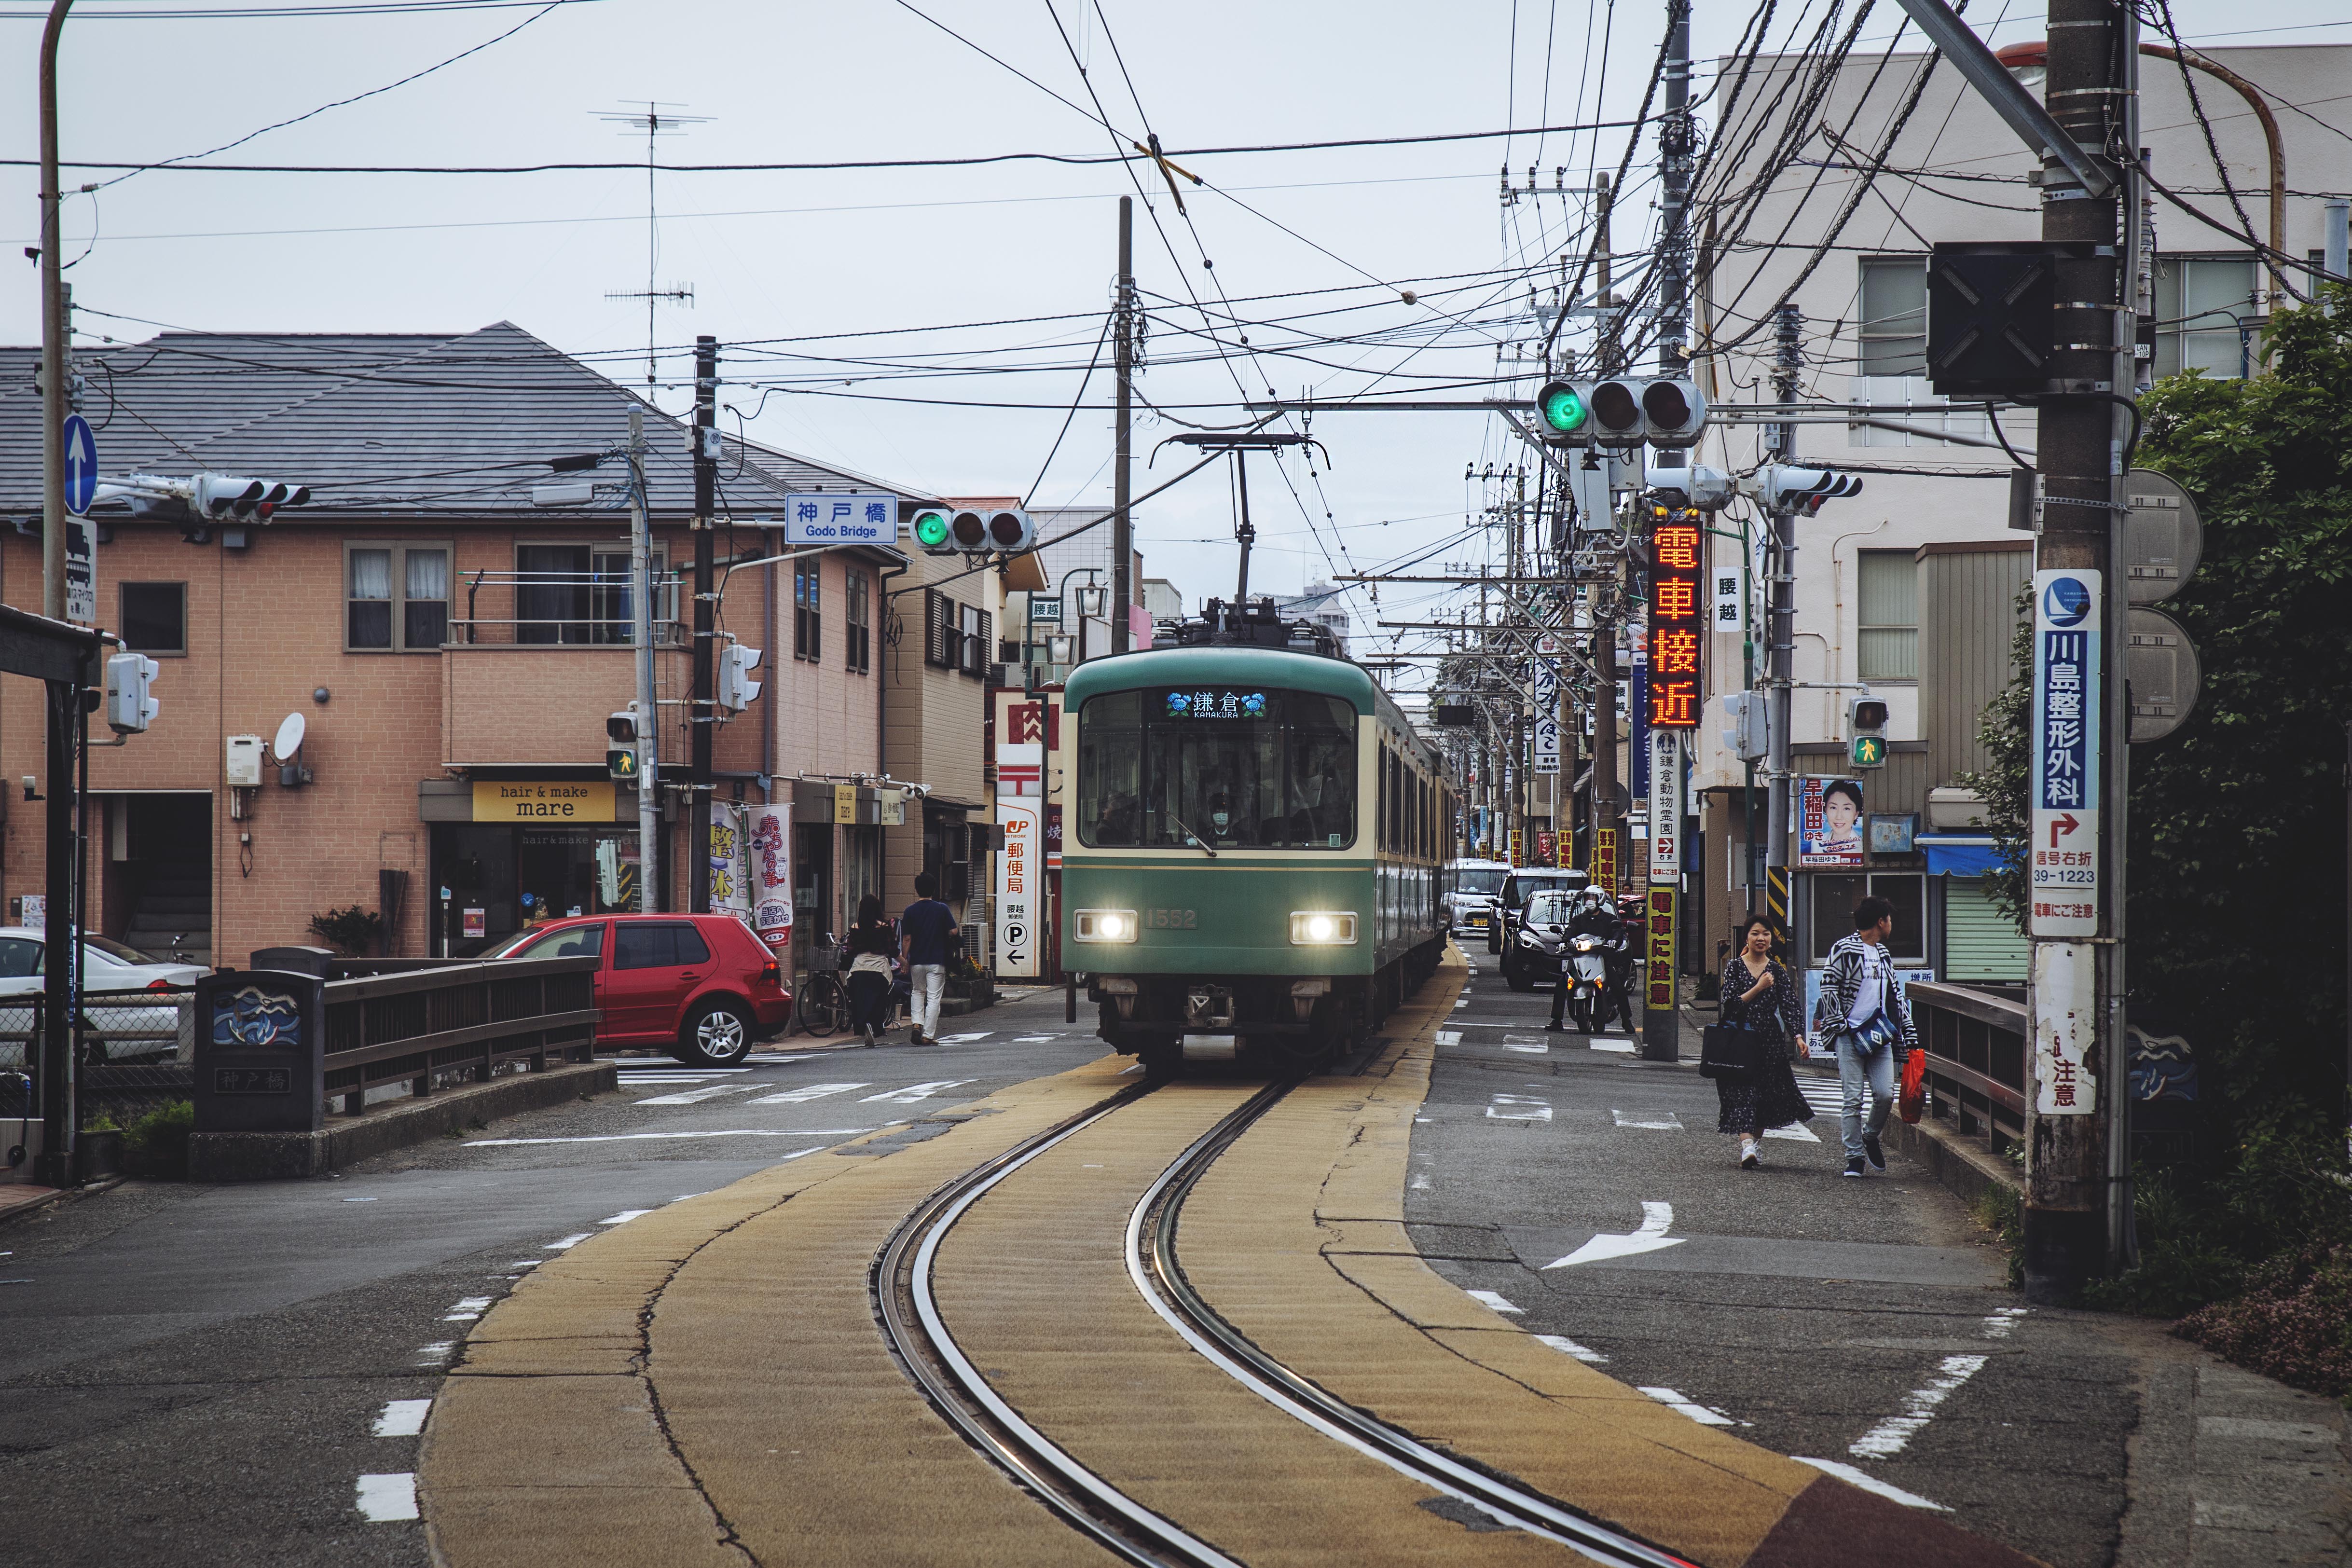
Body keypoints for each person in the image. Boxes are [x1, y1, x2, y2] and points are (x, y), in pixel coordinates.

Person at [1819, 894, 1917, 1177]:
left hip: (1879, 1035)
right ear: (1880, 922)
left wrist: (1907, 1031)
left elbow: (1895, 996)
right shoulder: (1844, 949)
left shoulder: (1884, 954)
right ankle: (1854, 1158)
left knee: (1886, 1095)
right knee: (1853, 1098)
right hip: (1849, 1035)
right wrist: (1840, 1024)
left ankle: (1870, 1135)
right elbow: (1829, 986)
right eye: (1889, 920)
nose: (1891, 925)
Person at [1714, 915, 1814, 1169]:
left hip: (1769, 1040)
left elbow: (1790, 1005)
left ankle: (1753, 1144)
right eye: (1756, 933)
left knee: (1765, 1095)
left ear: (1771, 939)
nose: (1761, 938)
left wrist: (1799, 1037)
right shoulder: (1735, 967)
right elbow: (1731, 1005)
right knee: (1741, 1093)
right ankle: (1747, 1144)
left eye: (1766, 934)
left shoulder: (1776, 970)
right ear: (1747, 937)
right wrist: (1758, 988)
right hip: (1739, 1039)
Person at [898, 873, 958, 1047]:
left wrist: (905, 961)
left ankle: (917, 1023)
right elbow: (953, 931)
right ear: (934, 889)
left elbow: (907, 938)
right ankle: (928, 1035)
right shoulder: (942, 909)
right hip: (937, 960)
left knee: (917, 992)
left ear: (917, 890)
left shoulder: (910, 911)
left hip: (917, 960)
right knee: (933, 998)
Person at [1546, 890, 1619, 1032]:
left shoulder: (1609, 919)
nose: (1589, 901)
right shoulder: (1579, 919)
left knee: (1616, 983)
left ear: (1600, 900)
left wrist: (1614, 941)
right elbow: (1570, 932)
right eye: (1587, 898)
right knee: (1562, 983)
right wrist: (1564, 942)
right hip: (1580, 957)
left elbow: (1617, 932)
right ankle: (1557, 1020)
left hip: (1601, 957)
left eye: (1593, 898)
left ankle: (1617, 1011)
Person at [843, 894, 897, 1048]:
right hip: (879, 969)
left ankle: (863, 1026)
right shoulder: (884, 927)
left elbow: (850, 950)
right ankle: (875, 1027)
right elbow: (892, 949)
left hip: (859, 969)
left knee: (860, 1001)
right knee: (878, 1001)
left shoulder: (855, 928)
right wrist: (905, 962)